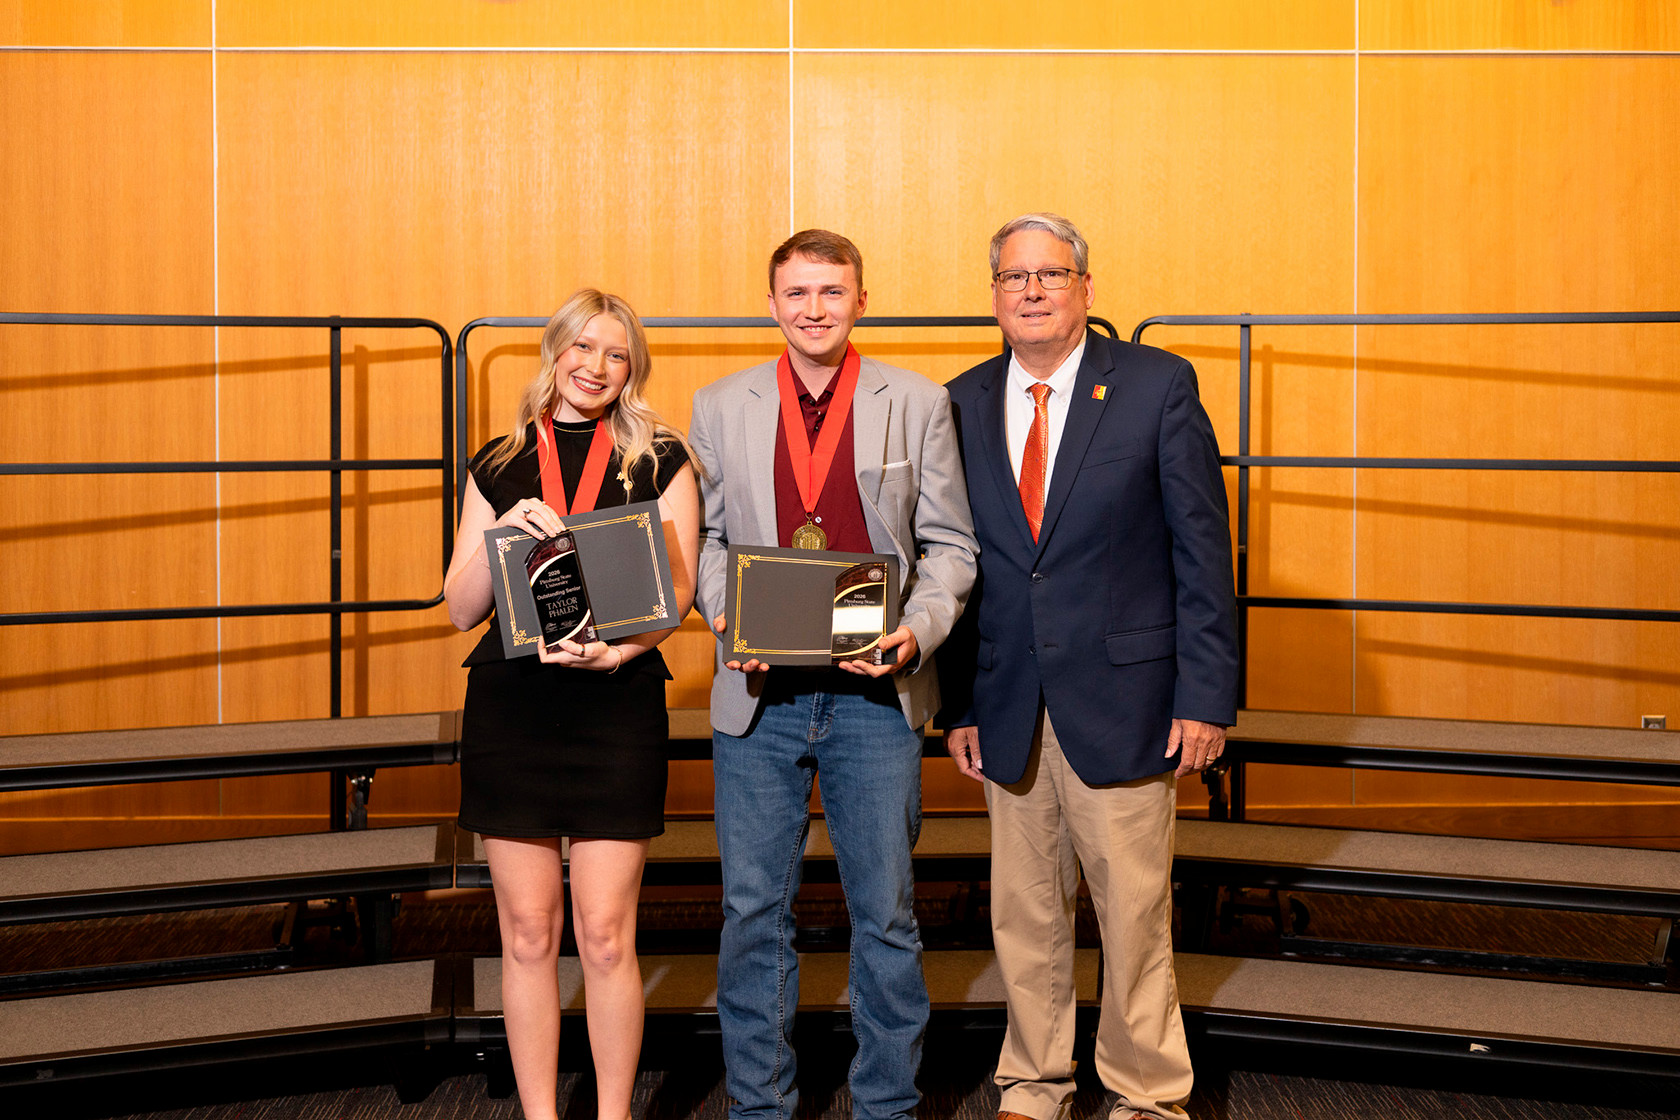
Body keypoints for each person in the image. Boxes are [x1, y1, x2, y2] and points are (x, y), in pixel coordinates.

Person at [939, 214, 1239, 1120]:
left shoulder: (1156, 388)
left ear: (1087, 289)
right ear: (993, 295)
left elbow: (1202, 554)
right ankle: (1034, 1083)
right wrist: (958, 705)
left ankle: (1147, 1094)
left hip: (1132, 702)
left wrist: (1206, 698)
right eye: (1014, 277)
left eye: (1051, 274)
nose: (1032, 291)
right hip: (1009, 704)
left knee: (1135, 918)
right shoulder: (957, 400)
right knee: (1024, 920)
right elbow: (957, 560)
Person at [688, 229, 977, 1120]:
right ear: (772, 303)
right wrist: (725, 608)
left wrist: (916, 634)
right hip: (759, 699)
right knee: (751, 916)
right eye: (797, 293)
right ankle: (760, 1107)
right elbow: (700, 538)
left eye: (832, 292)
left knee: (884, 916)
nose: (814, 309)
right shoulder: (718, 404)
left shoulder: (918, 402)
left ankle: (887, 1104)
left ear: (861, 300)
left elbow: (951, 547)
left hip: (875, 701)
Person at [443, 288, 701, 1120]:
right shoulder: (499, 460)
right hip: (512, 710)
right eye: (582, 348)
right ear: (554, 353)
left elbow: (682, 591)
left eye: (616, 354)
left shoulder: (659, 455)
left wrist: (618, 651)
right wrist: (503, 531)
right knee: (525, 933)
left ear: (633, 369)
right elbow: (458, 606)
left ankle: (614, 1115)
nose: (595, 367)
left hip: (614, 705)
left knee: (603, 934)